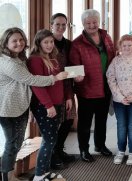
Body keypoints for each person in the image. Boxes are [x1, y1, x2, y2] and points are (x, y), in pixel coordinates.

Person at [0, 27, 67, 181]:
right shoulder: (9, 62)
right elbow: (32, 80)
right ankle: (10, 178)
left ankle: (16, 176)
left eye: (21, 39)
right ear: (6, 43)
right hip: (8, 109)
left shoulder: (19, 58)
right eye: (14, 41)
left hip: (20, 107)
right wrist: (55, 78)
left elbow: (27, 85)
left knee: (16, 144)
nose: (19, 43)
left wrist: (29, 108)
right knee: (12, 145)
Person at [69, 9, 115, 162]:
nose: (92, 25)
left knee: (102, 120)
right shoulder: (77, 44)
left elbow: (113, 57)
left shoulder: (106, 37)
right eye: (88, 23)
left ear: (99, 22)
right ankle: (83, 150)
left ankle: (100, 145)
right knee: (85, 123)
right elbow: (74, 65)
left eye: (94, 22)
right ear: (83, 24)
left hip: (105, 87)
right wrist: (77, 77)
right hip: (87, 90)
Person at [28, 29, 70, 181]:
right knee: (49, 140)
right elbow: (37, 85)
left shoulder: (53, 58)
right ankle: (39, 175)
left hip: (56, 103)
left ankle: (44, 172)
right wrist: (48, 105)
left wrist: (64, 98)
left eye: (51, 41)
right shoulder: (35, 60)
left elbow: (58, 82)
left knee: (51, 139)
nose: (50, 45)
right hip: (45, 105)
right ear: (38, 43)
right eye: (46, 42)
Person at [106, 34, 132, 165]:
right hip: (119, 101)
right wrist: (119, 96)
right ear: (120, 46)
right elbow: (111, 78)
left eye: (129, 45)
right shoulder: (115, 61)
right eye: (124, 45)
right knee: (121, 125)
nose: (126, 48)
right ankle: (120, 151)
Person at [50, 13, 76, 169]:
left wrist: (77, 75)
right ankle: (52, 155)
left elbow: (71, 67)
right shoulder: (46, 43)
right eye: (57, 24)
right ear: (51, 25)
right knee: (53, 124)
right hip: (51, 88)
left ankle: (59, 150)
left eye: (63, 24)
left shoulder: (69, 44)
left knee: (69, 119)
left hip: (67, 87)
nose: (60, 27)